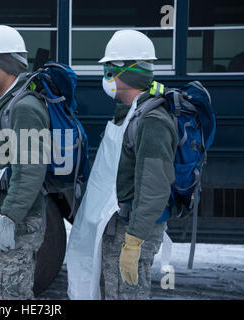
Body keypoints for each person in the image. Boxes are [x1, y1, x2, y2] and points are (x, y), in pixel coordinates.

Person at [99, 30, 178, 299]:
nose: (106, 77)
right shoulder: (130, 115)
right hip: (122, 225)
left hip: (134, 230)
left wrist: (133, 241)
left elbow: (154, 188)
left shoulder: (152, 120)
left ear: (129, 72)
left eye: (110, 69)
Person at [0, 25, 50, 300]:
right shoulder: (9, 104)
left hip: (19, 221)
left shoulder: (24, 107)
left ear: (6, 65)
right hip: (8, 214)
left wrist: (9, 217)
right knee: (1, 291)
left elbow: (30, 170)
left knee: (11, 294)